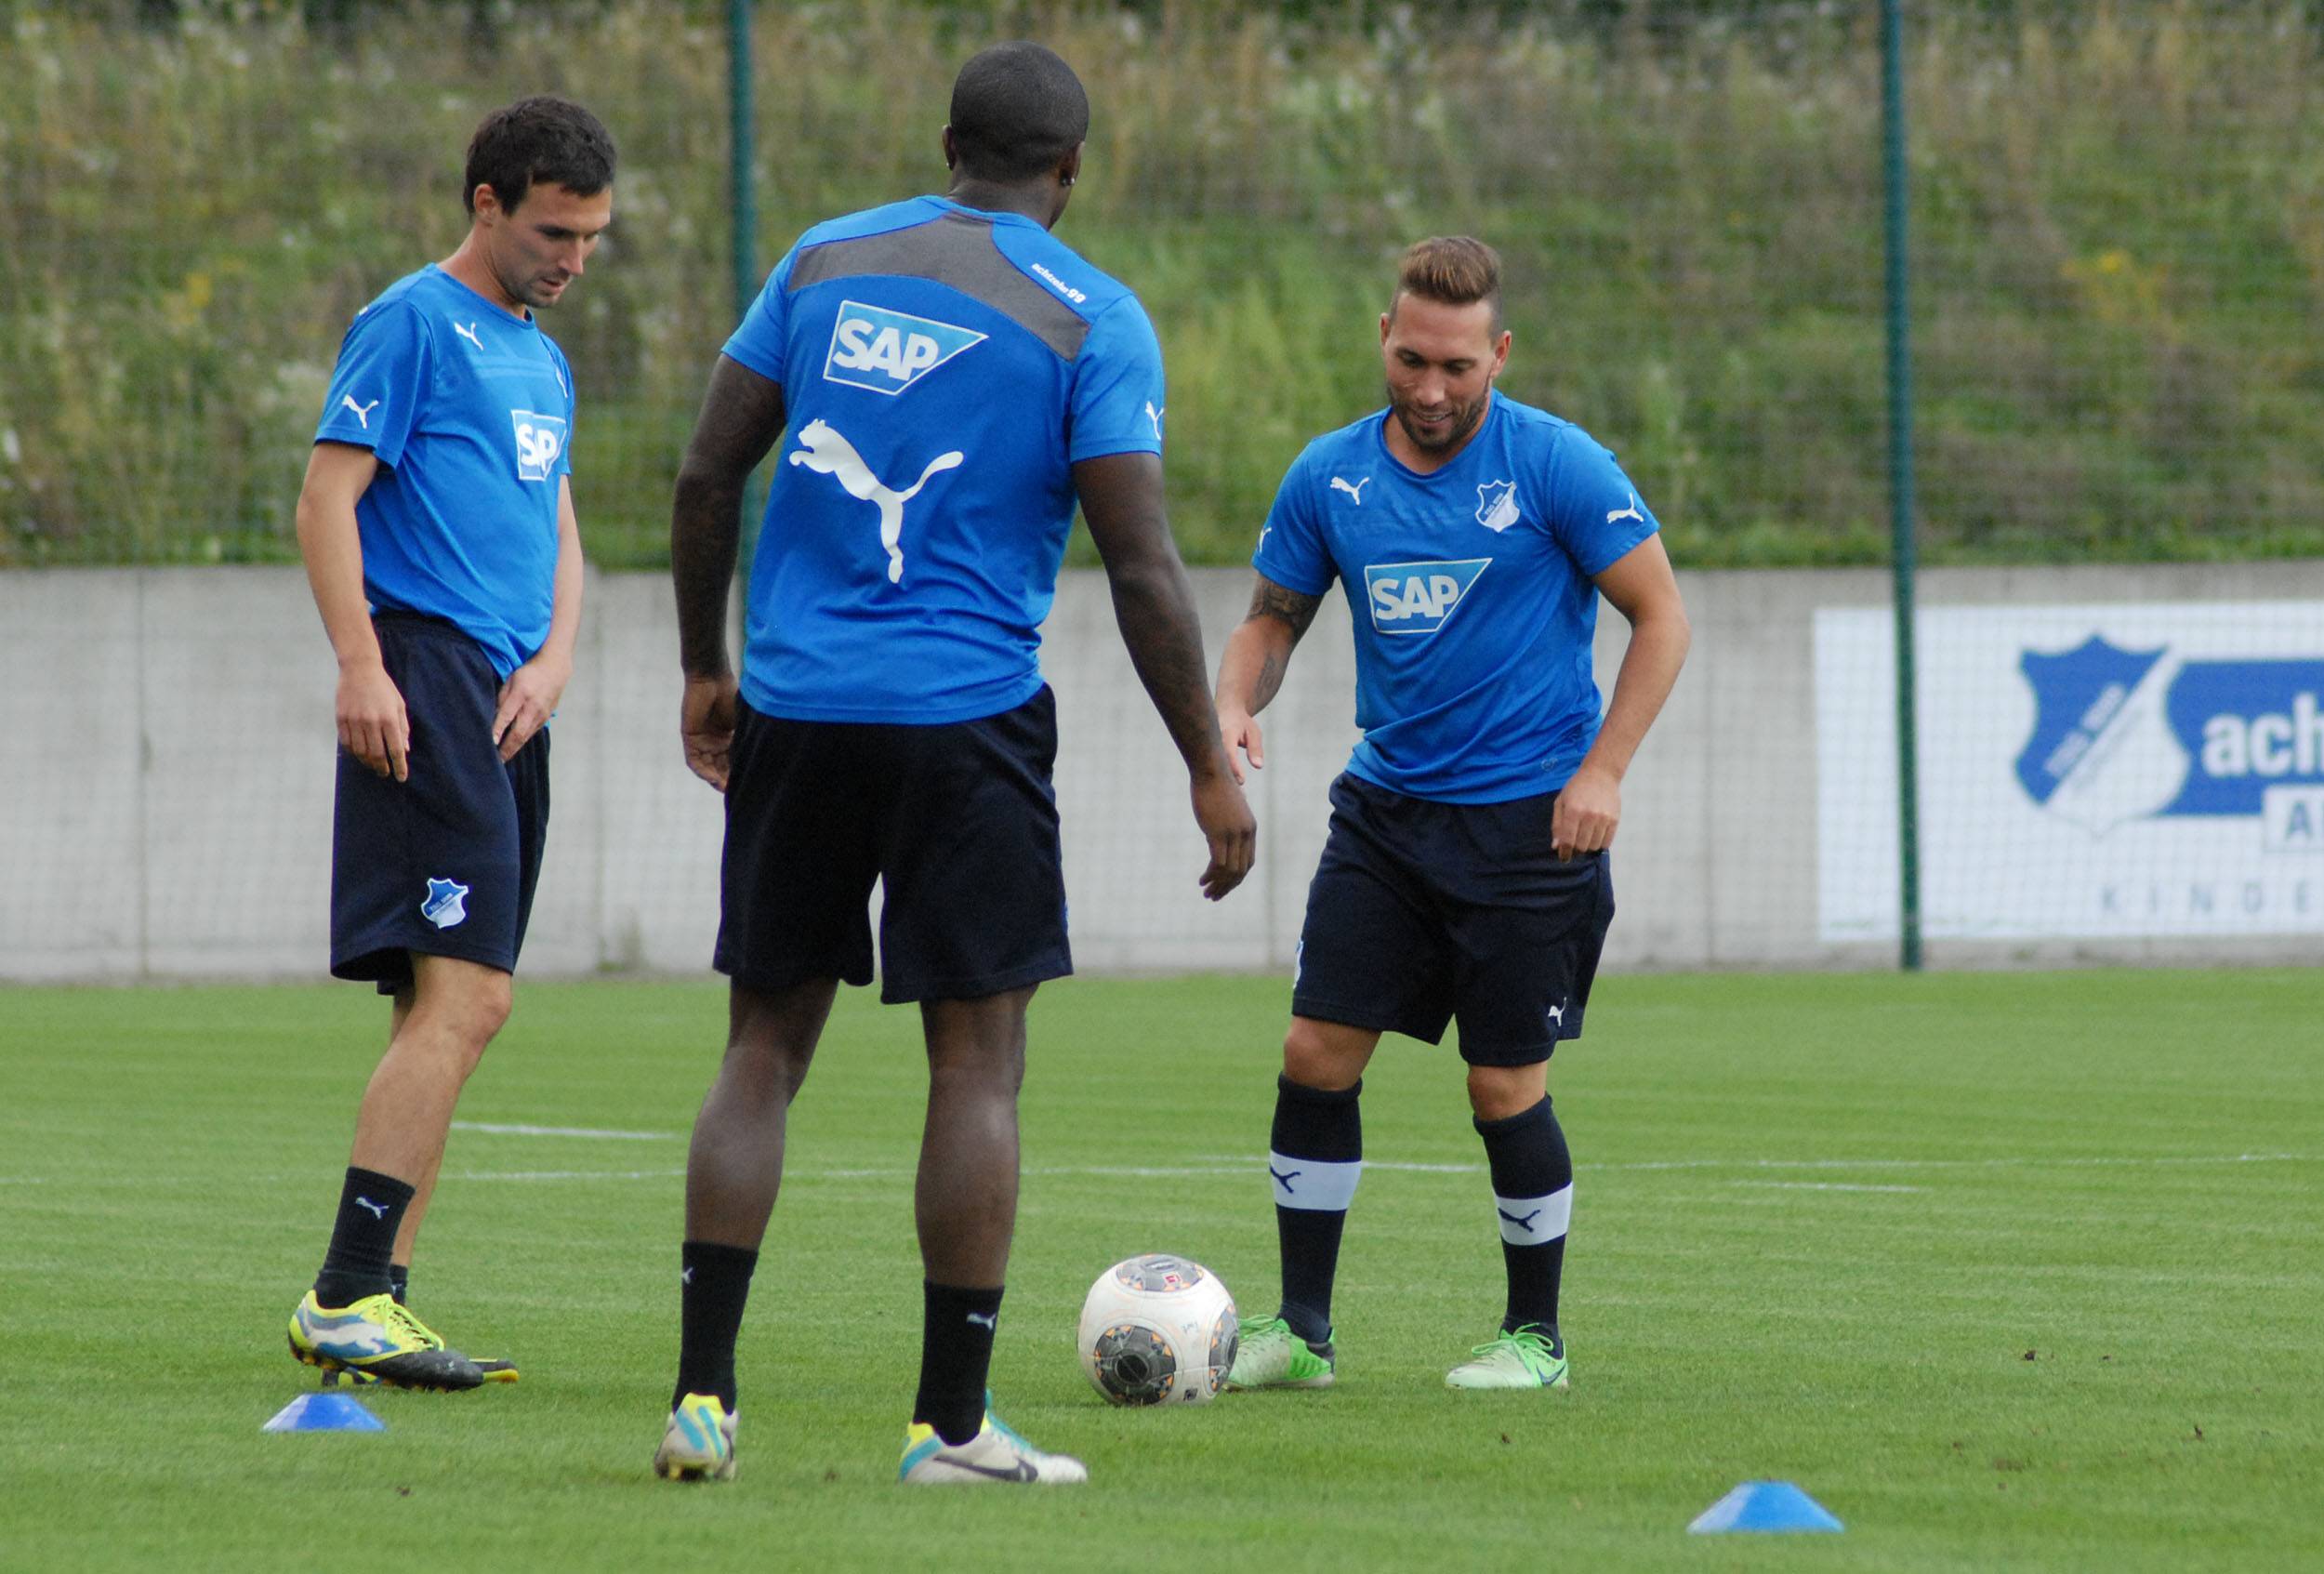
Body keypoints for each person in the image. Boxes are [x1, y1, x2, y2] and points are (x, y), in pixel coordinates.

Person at [654, 42, 1254, 1487]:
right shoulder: (1089, 315)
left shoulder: (818, 261)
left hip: (798, 708)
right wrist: (1209, 762)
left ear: (945, 144)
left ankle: (702, 1400)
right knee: (976, 1066)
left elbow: (702, 473)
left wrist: (705, 668)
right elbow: (1143, 566)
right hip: (966, 718)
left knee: (761, 1049)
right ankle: (952, 1426)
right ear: (1071, 172)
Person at [1213, 237, 1688, 1395]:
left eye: (1458, 368)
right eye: (1412, 360)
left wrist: (1604, 771)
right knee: (1313, 1053)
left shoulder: (1556, 465)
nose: (1431, 390)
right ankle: (1302, 1334)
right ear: (1384, 335)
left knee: (1501, 1086)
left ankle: (1536, 1338)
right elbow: (1272, 620)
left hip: (1530, 828)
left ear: (1499, 354)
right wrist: (1229, 699)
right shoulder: (1328, 477)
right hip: (1385, 818)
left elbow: (1661, 616)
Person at [283, 97, 615, 1391]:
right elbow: (327, 495)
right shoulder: (415, 321)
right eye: (552, 230)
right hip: (426, 679)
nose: (572, 257)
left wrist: (558, 654)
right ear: (486, 203)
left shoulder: (540, 353)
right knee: (472, 993)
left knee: (446, 1003)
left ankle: (383, 1299)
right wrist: (363, 663)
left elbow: (560, 518)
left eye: (591, 235)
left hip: (508, 696)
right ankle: (347, 1290)